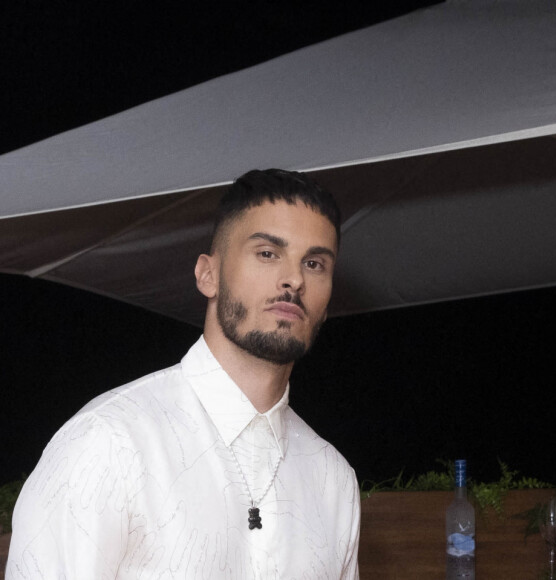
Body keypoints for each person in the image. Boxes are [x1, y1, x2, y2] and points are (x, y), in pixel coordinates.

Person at [7, 169, 360, 579]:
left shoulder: (333, 480)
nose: (294, 279)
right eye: (267, 253)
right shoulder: (109, 444)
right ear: (207, 275)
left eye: (314, 263)